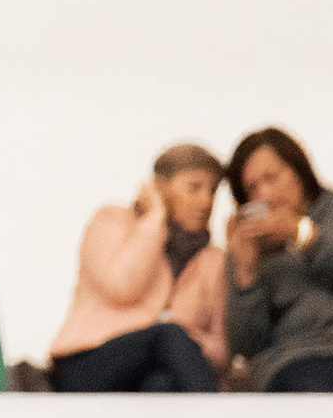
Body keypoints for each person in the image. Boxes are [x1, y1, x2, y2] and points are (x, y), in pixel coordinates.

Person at [46, 144, 227, 392]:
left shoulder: (214, 260)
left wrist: (186, 338)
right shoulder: (112, 221)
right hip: (87, 365)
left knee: (161, 386)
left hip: (153, 372)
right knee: (168, 336)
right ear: (160, 187)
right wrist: (154, 218)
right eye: (194, 187)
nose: (206, 201)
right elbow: (121, 286)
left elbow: (221, 351)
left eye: (213, 190)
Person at [224, 127, 333, 392]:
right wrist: (245, 273)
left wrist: (303, 233)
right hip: (304, 357)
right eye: (252, 188)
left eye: (272, 178)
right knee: (313, 393)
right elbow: (246, 346)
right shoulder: (251, 248)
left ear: (300, 171)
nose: (264, 195)